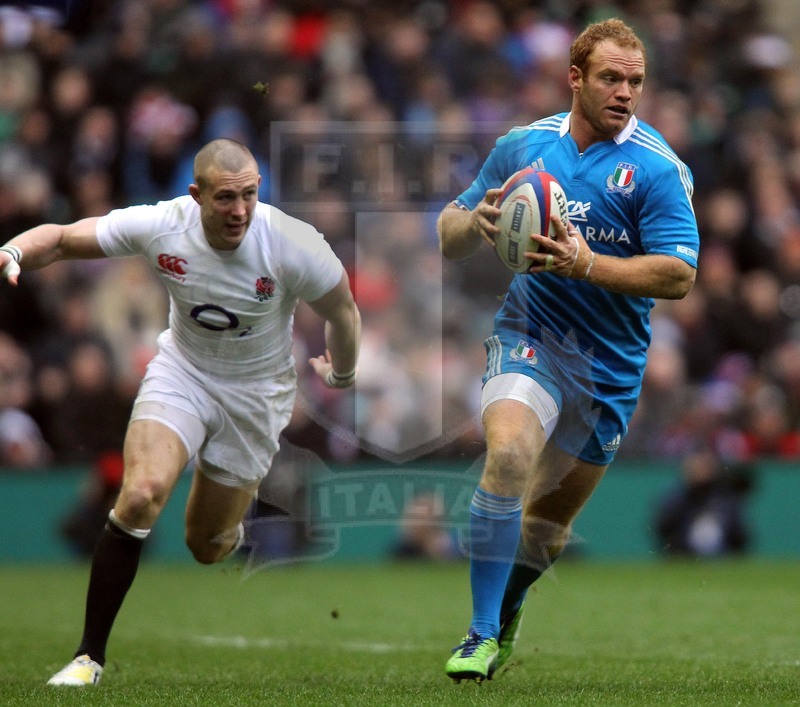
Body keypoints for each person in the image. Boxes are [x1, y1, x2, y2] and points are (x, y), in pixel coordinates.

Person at [0, 138, 361, 686]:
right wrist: (13, 251)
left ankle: (226, 529)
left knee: (206, 546)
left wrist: (343, 372)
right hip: (183, 374)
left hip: (256, 397)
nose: (239, 210)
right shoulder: (162, 225)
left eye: (248, 195)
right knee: (141, 494)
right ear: (195, 196)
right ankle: (87, 658)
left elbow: (344, 311)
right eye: (224, 198)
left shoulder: (292, 243)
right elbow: (64, 240)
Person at [436, 19, 699, 682]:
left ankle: (509, 604)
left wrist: (588, 264)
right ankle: (479, 633)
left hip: (608, 367)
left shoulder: (659, 169)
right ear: (575, 78)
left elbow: (678, 273)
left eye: (635, 81)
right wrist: (478, 220)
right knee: (510, 454)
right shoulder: (524, 148)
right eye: (611, 78)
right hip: (531, 335)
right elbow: (448, 233)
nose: (625, 92)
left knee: (546, 526)